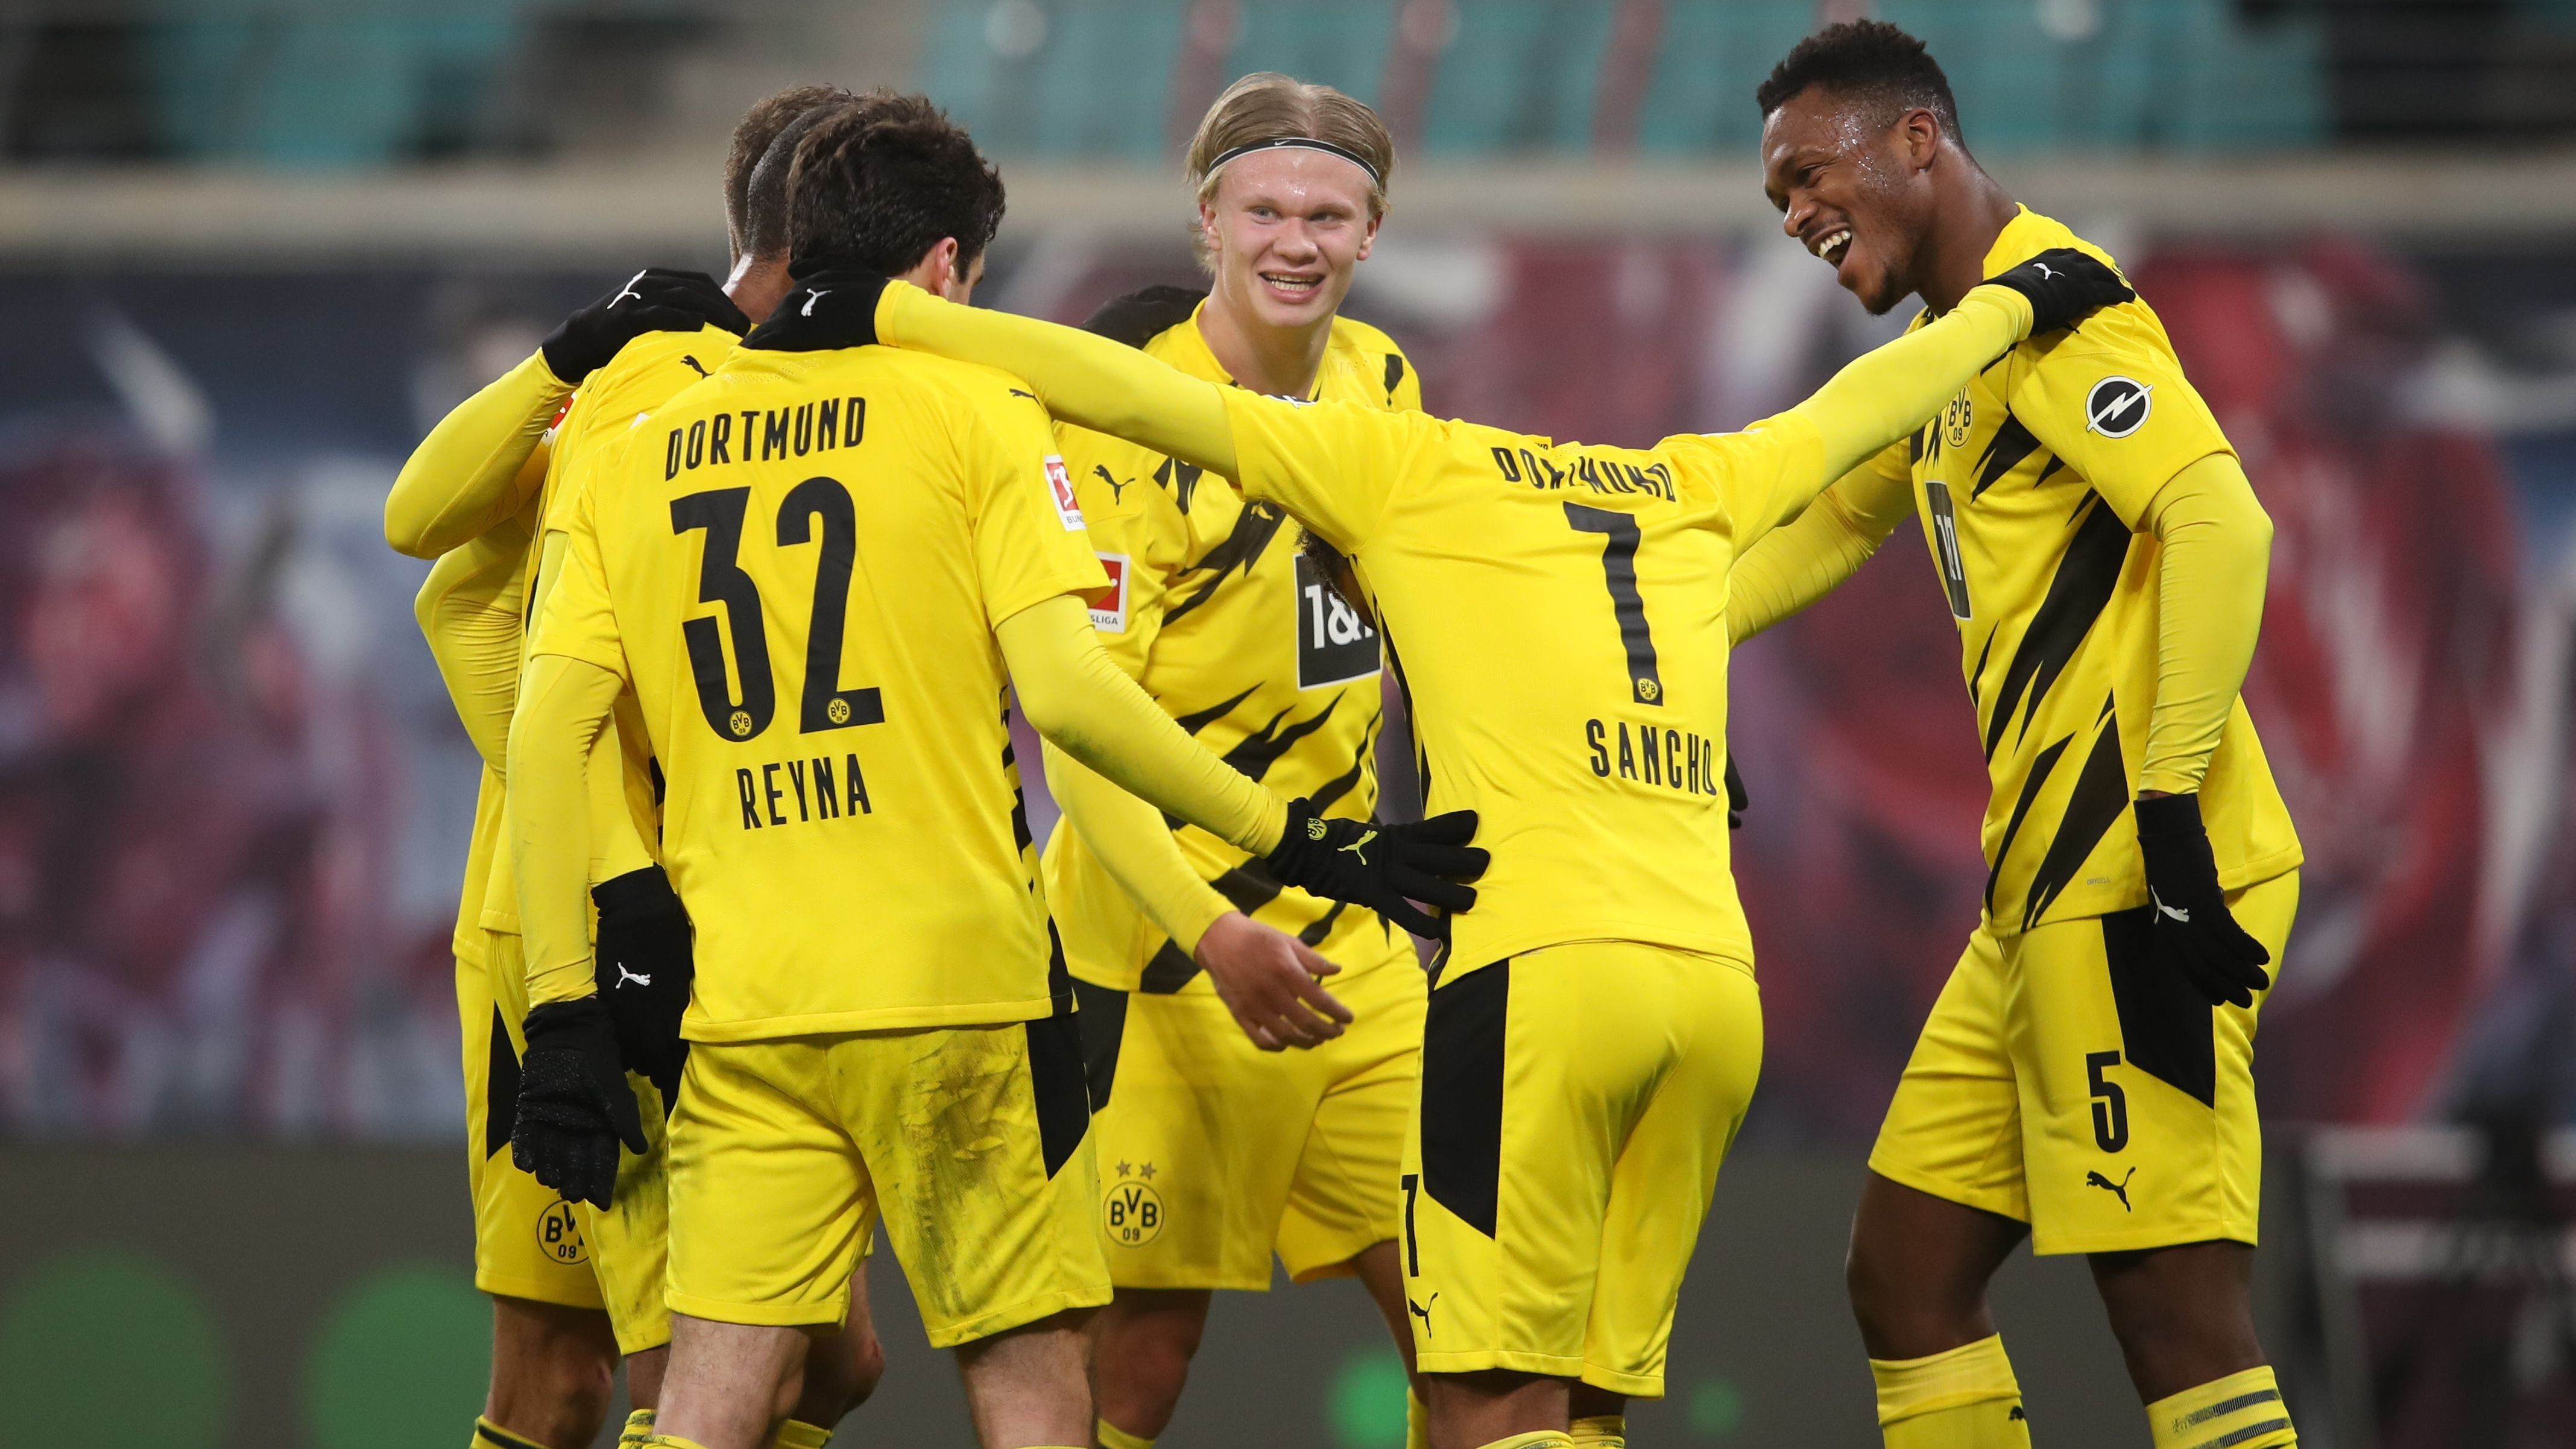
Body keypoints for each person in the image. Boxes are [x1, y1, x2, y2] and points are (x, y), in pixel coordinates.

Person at [823, 210, 2130, 1449]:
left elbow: (1142, 398)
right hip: (1708, 1001)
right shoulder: (1679, 481)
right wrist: (2012, 301)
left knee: (1480, 1389)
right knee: (1571, 1388)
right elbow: (1843, 426)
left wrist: (884, 310)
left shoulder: (1407, 465)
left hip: (1522, 982)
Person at [502, 95, 1482, 1449]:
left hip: (749, 1000)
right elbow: (1074, 697)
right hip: (965, 984)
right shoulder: (980, 412)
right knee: (1036, 1386)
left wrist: (560, 1006)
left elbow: (540, 725)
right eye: (1269, 209)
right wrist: (1298, 840)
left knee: (710, 1400)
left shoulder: (636, 443)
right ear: (950, 268)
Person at [1741, 22, 2302, 1449]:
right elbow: (1811, 530)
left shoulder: (2061, 311)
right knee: (1904, 1275)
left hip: (2131, 878)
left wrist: (2170, 810)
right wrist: (1645, 660)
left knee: (2173, 1309)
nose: (1797, 215)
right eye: (1776, 200)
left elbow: (2221, 519)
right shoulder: (1959, 350)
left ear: (1917, 140)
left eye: (1811, 176)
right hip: (2036, 897)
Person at [391, 85, 889, 1449]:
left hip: (671, 904)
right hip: (592, 925)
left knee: (812, 1362)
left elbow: (447, 591)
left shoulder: (784, 387)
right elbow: (430, 555)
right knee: (655, 1372)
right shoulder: (661, 387)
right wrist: (616, 871)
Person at [1041, 74, 1438, 1449]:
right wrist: (1211, 928)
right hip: (1161, 949)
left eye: (1329, 213)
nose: (1296, 240)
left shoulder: (1387, 380)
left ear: (1371, 233)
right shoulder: (1123, 426)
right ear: (1207, 216)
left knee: (1472, 1313)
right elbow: (1079, 727)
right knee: (1138, 1366)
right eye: (1264, 207)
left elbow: (1419, 615)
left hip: (1352, 937)